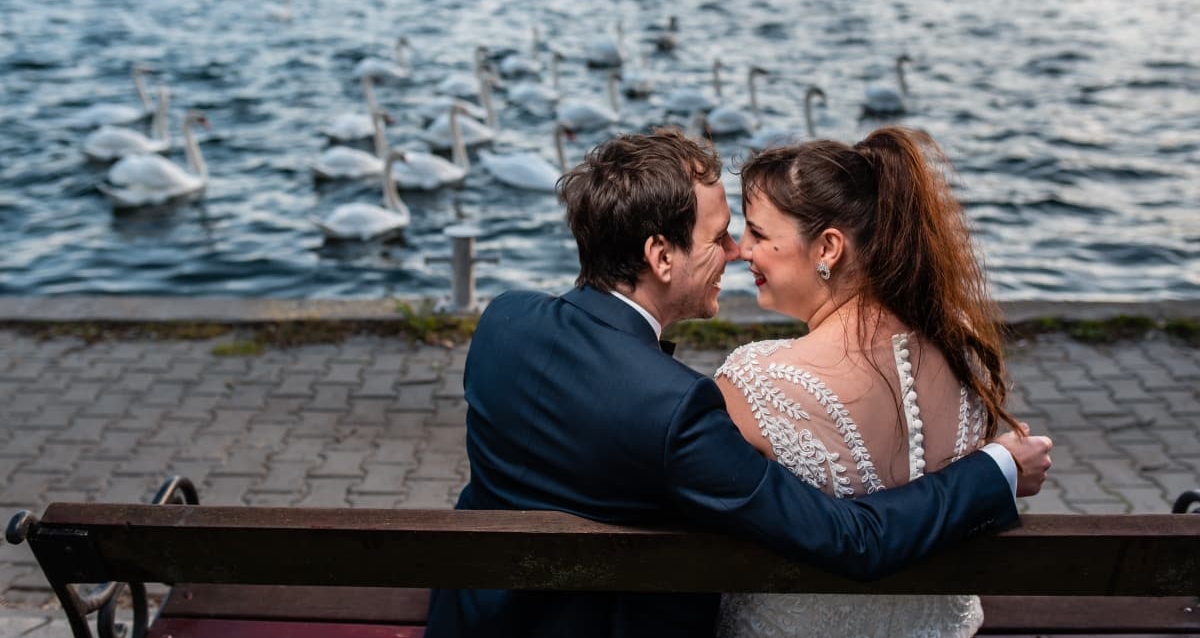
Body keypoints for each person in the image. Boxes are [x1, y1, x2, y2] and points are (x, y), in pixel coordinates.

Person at [425, 127, 1052, 638]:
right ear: (661, 257)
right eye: (718, 236)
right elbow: (853, 540)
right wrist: (994, 469)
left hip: (470, 617)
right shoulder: (676, 411)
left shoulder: (503, 321)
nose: (733, 251)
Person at [715, 126, 1024, 637]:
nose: (741, 250)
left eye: (759, 234)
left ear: (828, 247)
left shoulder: (755, 382)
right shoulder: (959, 342)